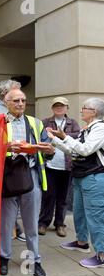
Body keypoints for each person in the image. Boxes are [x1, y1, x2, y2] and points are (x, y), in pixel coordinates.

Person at [0, 88, 55, 276]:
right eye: (16, 100)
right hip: (7, 177)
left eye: (23, 100)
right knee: (5, 224)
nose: (21, 104)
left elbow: (49, 148)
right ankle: (3, 258)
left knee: (31, 224)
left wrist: (49, 149)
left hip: (31, 177)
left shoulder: (35, 122)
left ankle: (35, 261)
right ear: (6, 102)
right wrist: (6, 147)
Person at [48, 98, 104, 268]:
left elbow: (85, 150)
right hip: (81, 175)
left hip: (94, 177)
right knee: (79, 212)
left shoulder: (100, 129)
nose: (81, 111)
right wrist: (54, 139)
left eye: (84, 108)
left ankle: (101, 255)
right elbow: (73, 149)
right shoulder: (87, 129)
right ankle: (81, 242)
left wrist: (64, 136)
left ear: (93, 112)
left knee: (95, 217)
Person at [0, 79, 26, 242]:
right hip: (3, 166)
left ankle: (13, 229)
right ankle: (7, 234)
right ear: (5, 96)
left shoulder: (18, 114)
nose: (20, 101)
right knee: (5, 204)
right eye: (15, 96)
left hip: (16, 165)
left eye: (22, 98)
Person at [39, 97, 80, 237]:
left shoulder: (72, 123)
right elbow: (40, 136)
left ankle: (60, 224)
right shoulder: (45, 122)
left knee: (63, 198)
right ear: (52, 108)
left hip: (67, 166)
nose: (59, 108)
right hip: (50, 165)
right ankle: (43, 223)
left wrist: (60, 135)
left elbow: (78, 138)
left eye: (62, 106)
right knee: (48, 195)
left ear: (67, 108)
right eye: (56, 106)